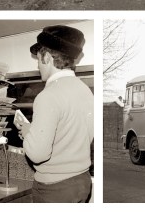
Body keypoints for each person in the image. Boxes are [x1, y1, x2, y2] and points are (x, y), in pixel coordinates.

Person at [15, 26, 94, 203]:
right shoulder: (85, 90)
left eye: (38, 58)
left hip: (54, 188)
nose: (37, 64)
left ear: (48, 58)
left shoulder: (47, 96)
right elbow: (82, 135)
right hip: (82, 181)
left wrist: (28, 133)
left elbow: (38, 154)